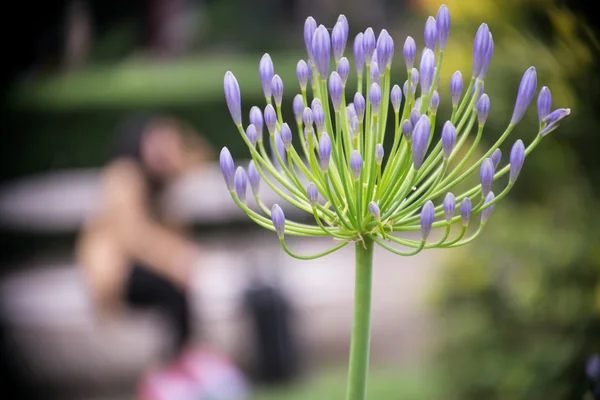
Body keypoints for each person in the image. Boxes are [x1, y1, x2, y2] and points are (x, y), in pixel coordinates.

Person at [76, 114, 248, 399]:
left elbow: (203, 158)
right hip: (115, 272)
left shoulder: (161, 176)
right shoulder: (124, 174)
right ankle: (171, 370)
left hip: (141, 267)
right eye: (157, 142)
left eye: (171, 142)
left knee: (179, 294)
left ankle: (176, 367)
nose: (164, 150)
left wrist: (174, 150)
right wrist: (176, 258)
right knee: (174, 292)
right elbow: (132, 235)